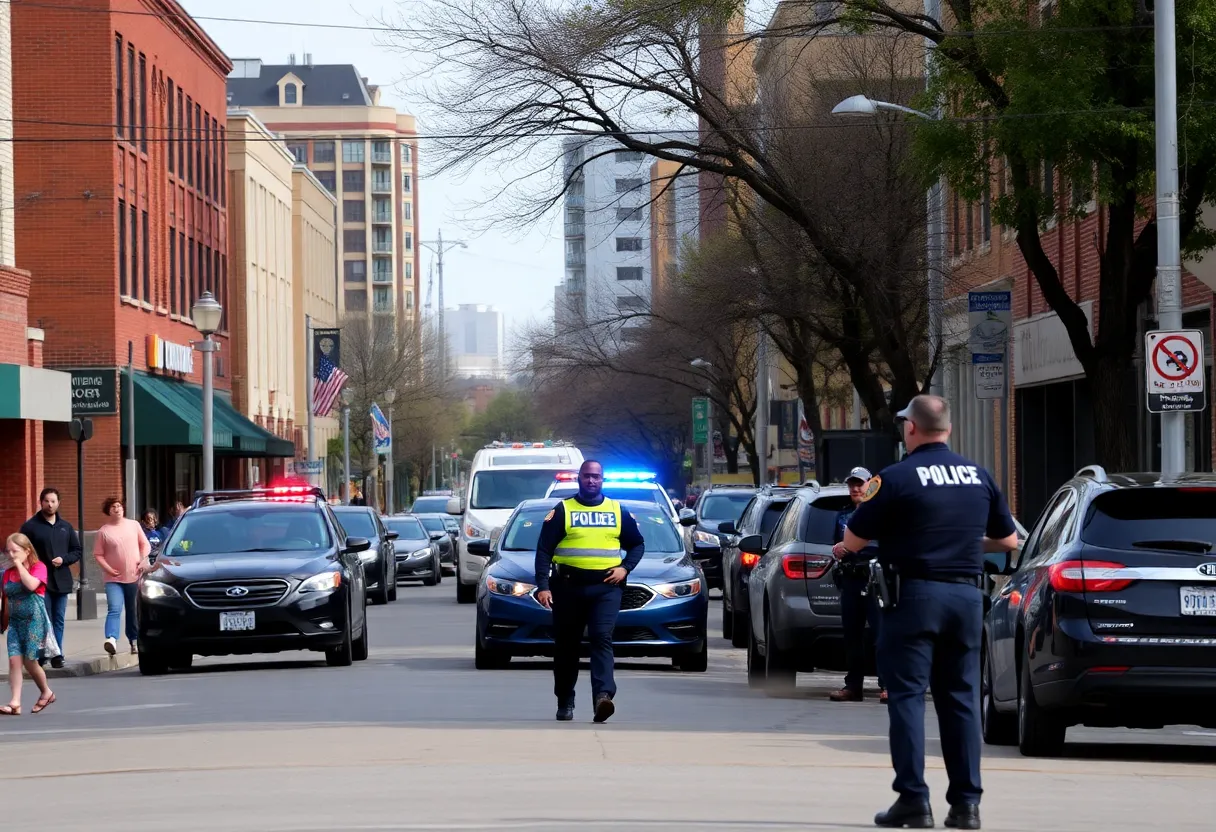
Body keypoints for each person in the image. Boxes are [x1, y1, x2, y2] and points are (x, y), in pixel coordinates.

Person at [841, 395, 1016, 831]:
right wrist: (959, 545)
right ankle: (966, 806)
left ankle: (914, 801)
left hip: (914, 597)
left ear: (912, 429)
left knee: (906, 699)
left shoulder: (895, 478)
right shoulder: (978, 475)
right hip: (965, 598)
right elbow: (1008, 540)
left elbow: (854, 539)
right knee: (961, 702)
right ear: (949, 430)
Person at [534, 459, 645, 724]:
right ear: (579, 478)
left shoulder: (618, 510)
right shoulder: (562, 510)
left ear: (602, 480)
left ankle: (603, 697)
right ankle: (565, 700)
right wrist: (543, 586)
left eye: (596, 477)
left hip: (606, 588)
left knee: (601, 637)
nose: (591, 481)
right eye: (587, 476)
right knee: (567, 646)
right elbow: (544, 551)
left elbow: (637, 544)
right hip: (568, 587)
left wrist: (625, 568)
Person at [829, 467, 886, 704]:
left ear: (870, 485)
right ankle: (853, 686)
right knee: (851, 635)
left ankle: (887, 685)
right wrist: (838, 549)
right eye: (851, 484)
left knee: (881, 634)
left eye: (859, 484)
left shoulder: (881, 513)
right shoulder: (843, 516)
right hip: (851, 579)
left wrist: (854, 546)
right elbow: (837, 545)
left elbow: (883, 545)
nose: (855, 489)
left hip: (875, 580)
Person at [20, 487, 82, 669]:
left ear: (58, 503)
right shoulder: (31, 527)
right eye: (47, 501)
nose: (50, 504)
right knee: (42, 618)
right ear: (41, 502)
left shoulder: (66, 527)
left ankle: (57, 654)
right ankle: (42, 654)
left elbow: (77, 551)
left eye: (53, 501)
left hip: (61, 579)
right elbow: (21, 550)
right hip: (40, 581)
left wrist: (64, 559)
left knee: (58, 619)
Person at [2, 533, 56, 715]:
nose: (10, 555)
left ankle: (46, 691)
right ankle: (15, 702)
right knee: (14, 660)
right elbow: (6, 598)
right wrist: (3, 621)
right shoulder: (7, 573)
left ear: (27, 551)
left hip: (35, 621)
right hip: (16, 623)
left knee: (29, 661)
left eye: (14, 551)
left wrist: (19, 565)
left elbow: (32, 585)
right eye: (7, 551)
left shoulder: (38, 567)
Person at [92, 496, 151, 656]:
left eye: (118, 506)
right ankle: (111, 638)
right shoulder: (104, 531)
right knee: (115, 608)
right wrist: (109, 569)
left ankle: (134, 640)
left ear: (123, 508)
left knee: (132, 610)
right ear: (108, 512)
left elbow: (145, 544)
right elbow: (98, 554)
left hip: (133, 575)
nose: (117, 509)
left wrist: (143, 559)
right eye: (113, 507)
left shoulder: (134, 525)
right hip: (113, 579)